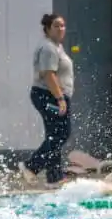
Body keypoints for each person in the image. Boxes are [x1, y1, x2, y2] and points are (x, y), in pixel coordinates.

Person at [20, 13, 74, 186]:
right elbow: (48, 75)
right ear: (47, 28)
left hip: (51, 96)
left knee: (54, 134)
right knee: (62, 133)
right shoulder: (48, 48)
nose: (61, 29)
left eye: (63, 25)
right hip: (48, 96)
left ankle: (54, 177)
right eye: (56, 25)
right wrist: (60, 98)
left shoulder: (56, 46)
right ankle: (31, 166)